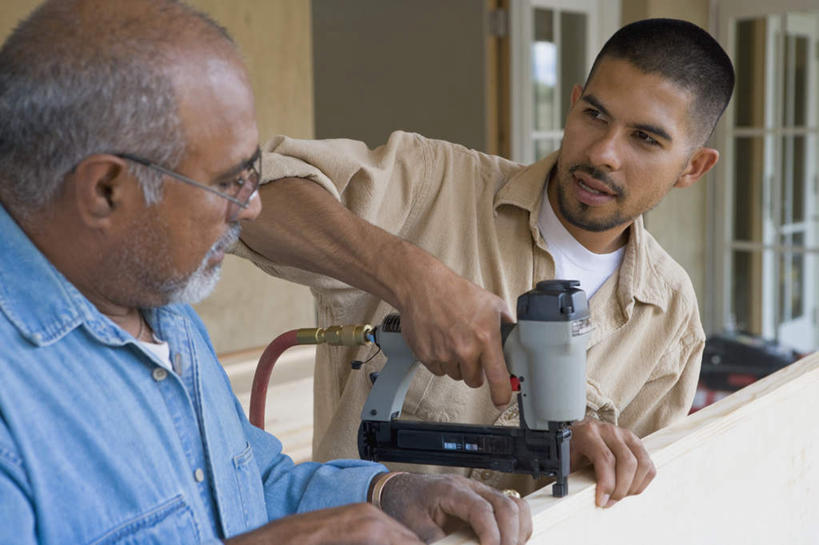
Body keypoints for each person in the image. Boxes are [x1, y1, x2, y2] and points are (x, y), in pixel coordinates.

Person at [0, 1, 532, 544]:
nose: (252, 208)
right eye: (228, 182)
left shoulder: (156, 306)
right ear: (106, 190)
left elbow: (248, 485)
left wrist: (386, 493)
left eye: (252, 174)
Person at [237, 18, 735, 507]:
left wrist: (586, 459)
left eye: (645, 139)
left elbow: (628, 506)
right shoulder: (432, 184)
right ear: (573, 102)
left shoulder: (670, 319)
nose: (604, 152)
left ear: (694, 166)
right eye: (595, 115)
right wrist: (412, 276)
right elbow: (243, 194)